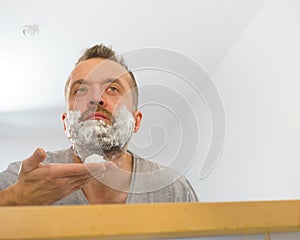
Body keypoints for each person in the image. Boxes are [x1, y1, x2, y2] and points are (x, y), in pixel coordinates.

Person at [0, 44, 198, 205]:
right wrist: (16, 198)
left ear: (136, 121)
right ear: (66, 123)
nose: (95, 98)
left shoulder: (173, 192)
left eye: (112, 89)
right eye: (80, 90)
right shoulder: (23, 180)